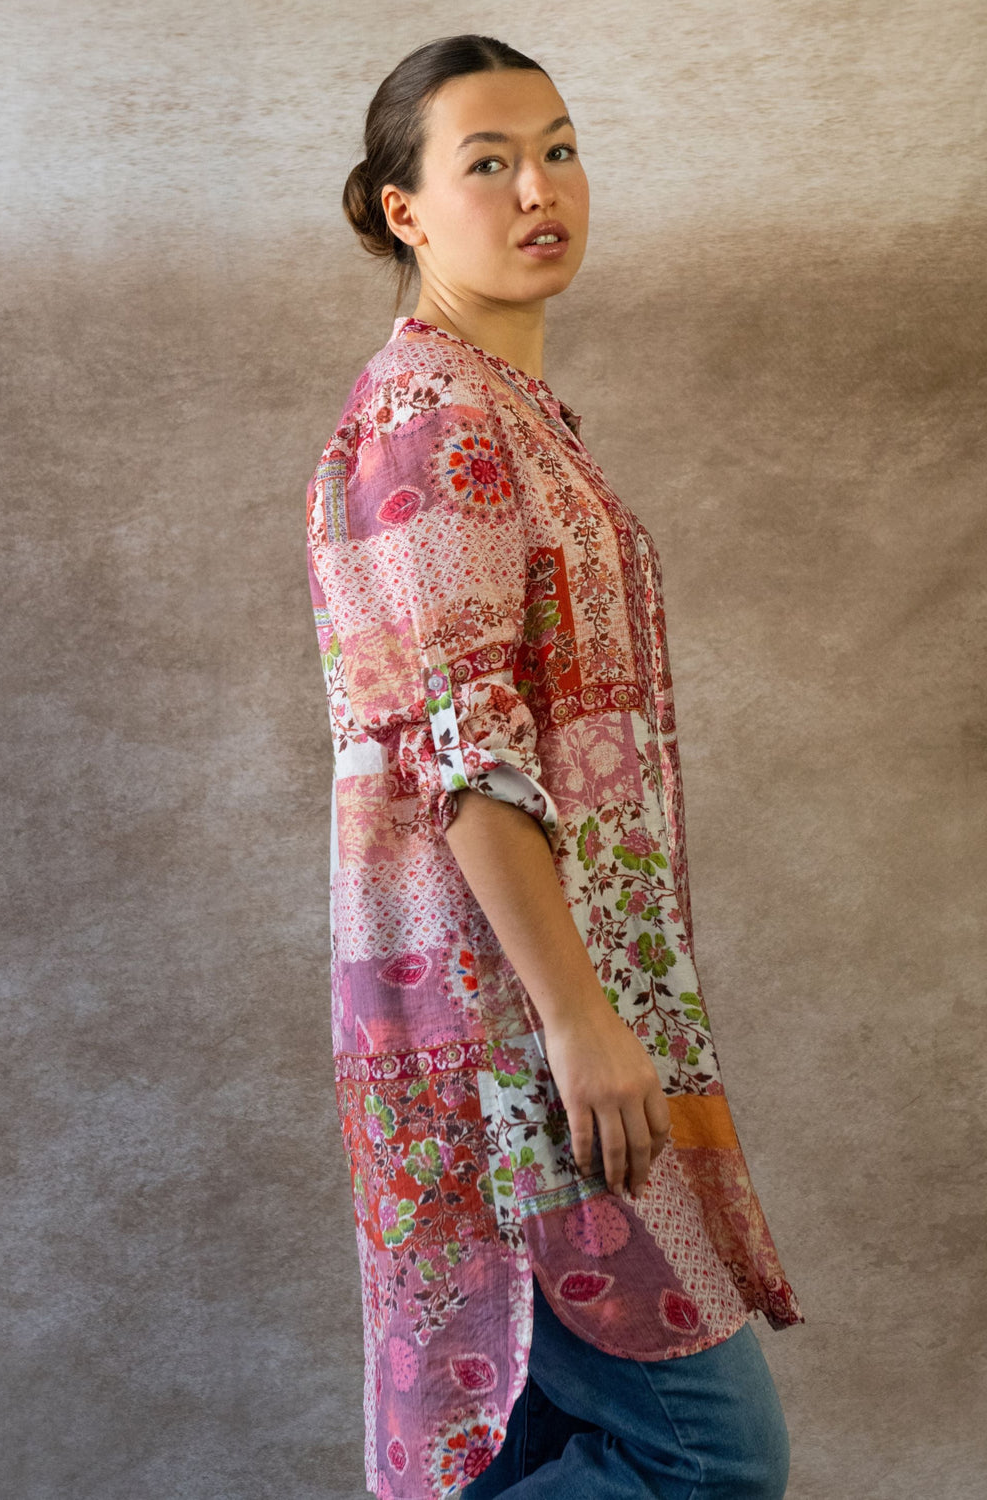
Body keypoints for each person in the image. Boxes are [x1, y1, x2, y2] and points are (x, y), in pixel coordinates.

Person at [306, 33, 805, 1500]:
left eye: (561, 150)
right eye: (490, 163)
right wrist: (577, 1020)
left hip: (543, 1002)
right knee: (710, 1459)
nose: (540, 189)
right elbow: (469, 758)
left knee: (520, 1444)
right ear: (403, 209)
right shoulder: (436, 420)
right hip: (505, 1025)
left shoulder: (504, 408)